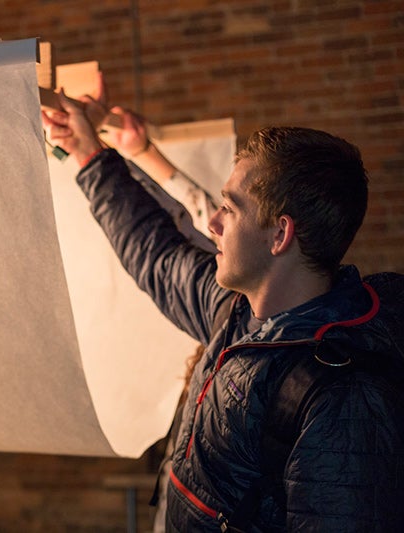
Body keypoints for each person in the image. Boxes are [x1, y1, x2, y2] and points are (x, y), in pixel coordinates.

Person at [43, 92, 404, 531]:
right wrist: (88, 156)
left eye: (229, 209)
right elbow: (155, 252)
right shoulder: (234, 313)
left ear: (279, 235)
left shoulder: (343, 397)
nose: (212, 224)